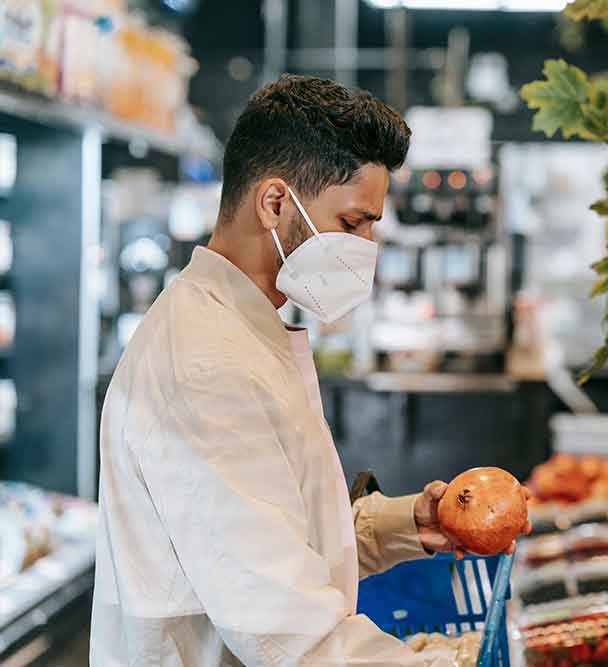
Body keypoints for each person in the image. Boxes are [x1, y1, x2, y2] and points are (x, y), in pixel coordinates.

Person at [91, 75, 529, 666]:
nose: (368, 246)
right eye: (353, 224)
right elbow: (286, 630)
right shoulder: (205, 365)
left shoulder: (244, 325)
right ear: (275, 203)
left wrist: (406, 524)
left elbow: (277, 532)